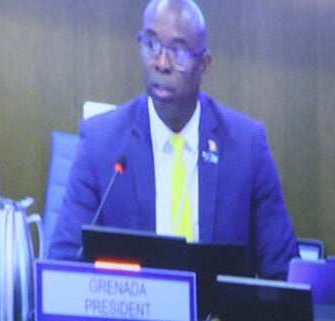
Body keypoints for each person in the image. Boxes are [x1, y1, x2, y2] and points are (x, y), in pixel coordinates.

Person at [48, 0, 297, 281]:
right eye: (151, 45)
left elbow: (283, 274)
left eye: (178, 52)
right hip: (129, 318)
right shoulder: (101, 142)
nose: (161, 63)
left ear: (203, 65)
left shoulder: (245, 146)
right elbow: (63, 266)